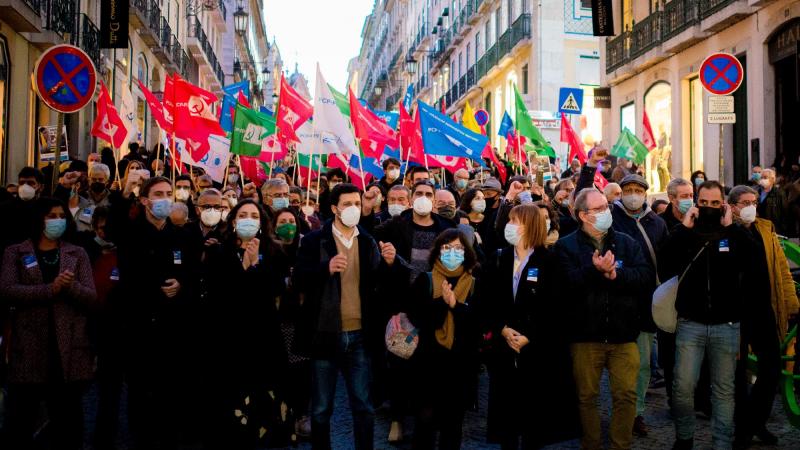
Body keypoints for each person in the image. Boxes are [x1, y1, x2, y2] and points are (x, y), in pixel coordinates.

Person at [293, 183, 400, 450]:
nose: (353, 208)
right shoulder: (314, 240)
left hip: (360, 334)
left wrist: (389, 264)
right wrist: (325, 268)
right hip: (325, 334)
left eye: (357, 204)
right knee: (321, 408)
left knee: (363, 405)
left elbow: (378, 285)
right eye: (347, 204)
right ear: (334, 208)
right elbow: (299, 279)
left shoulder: (367, 241)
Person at [554, 188, 653, 450]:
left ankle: (621, 445)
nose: (606, 212)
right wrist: (593, 270)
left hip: (624, 334)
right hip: (585, 336)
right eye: (598, 209)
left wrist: (616, 276)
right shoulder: (566, 246)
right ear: (583, 215)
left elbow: (644, 277)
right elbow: (564, 285)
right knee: (586, 396)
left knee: (626, 395)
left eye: (606, 207)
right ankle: (592, 444)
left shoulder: (626, 242)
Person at [659, 181, 755, 450]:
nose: (709, 208)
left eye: (714, 203)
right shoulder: (685, 232)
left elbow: (752, 260)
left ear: (723, 204)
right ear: (696, 203)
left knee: (724, 390)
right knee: (682, 387)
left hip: (727, 323)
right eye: (703, 202)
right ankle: (684, 437)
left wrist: (732, 227)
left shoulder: (733, 233)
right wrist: (684, 229)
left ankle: (721, 444)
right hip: (691, 323)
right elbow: (665, 263)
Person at [106, 176, 199, 449]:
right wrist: (124, 193)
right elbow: (113, 227)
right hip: (139, 323)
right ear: (145, 200)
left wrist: (181, 284)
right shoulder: (131, 232)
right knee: (140, 387)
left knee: (171, 387)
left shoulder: (182, 234)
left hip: (173, 325)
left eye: (169, 193)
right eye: (158, 194)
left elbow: (193, 271)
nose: (165, 199)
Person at [1, 197, 97, 450]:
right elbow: (8, 290)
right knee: (20, 419)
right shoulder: (15, 252)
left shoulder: (77, 253)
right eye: (51, 216)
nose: (58, 221)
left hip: (67, 348)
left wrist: (70, 286)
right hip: (28, 347)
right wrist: (49, 290)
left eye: (61, 216)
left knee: (68, 422)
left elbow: (91, 296)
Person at [484, 204, 579, 449]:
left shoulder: (552, 260)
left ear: (530, 226)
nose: (509, 226)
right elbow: (485, 300)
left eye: (515, 221)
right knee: (506, 421)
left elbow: (559, 308)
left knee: (535, 423)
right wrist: (502, 329)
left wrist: (530, 336)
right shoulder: (499, 258)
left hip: (539, 353)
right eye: (509, 220)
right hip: (504, 350)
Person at [204, 199, 290, 448]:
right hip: (231, 335)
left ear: (262, 223)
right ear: (233, 221)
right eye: (243, 215)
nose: (248, 220)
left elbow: (275, 289)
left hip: (264, 335)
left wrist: (255, 267)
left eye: (254, 216)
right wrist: (244, 267)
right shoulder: (218, 253)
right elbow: (219, 293)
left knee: (264, 393)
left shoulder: (274, 251)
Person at [728, 185, 799, 448]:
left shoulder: (766, 229)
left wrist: (791, 303)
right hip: (734, 314)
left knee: (771, 369)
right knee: (737, 375)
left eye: (754, 202)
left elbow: (782, 269)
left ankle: (755, 422)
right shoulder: (725, 231)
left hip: (764, 309)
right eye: (745, 202)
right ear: (732, 206)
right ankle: (742, 430)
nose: (751, 207)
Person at [407, 229, 481, 450]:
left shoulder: (474, 283)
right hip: (428, 363)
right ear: (438, 251)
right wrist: (442, 303)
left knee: (453, 424)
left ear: (466, 252)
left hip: (460, 365)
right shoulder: (426, 280)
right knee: (425, 421)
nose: (452, 253)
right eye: (447, 248)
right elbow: (417, 317)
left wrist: (455, 306)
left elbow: (478, 323)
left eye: (458, 248)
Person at [608, 174, 669, 436]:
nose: (633, 194)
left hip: (646, 302)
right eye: (628, 189)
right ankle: (621, 409)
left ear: (645, 194)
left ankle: (636, 412)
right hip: (617, 300)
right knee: (618, 363)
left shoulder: (657, 223)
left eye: (638, 190)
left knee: (643, 364)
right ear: (621, 193)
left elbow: (665, 259)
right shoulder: (610, 218)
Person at [757, 168, 792, 237]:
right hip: (760, 227)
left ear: (772, 179)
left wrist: (782, 230)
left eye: (765, 177)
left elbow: (785, 212)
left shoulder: (779, 194)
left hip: (774, 229)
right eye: (761, 177)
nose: (762, 180)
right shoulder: (757, 192)